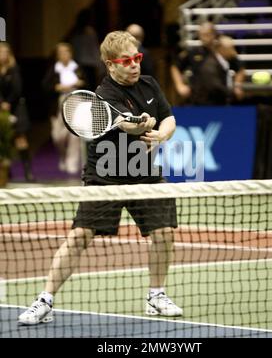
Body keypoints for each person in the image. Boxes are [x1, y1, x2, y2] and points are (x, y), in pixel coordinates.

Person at [18, 30, 182, 325]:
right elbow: (128, 127)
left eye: (138, 58)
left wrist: (161, 132)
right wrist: (141, 124)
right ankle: (45, 299)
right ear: (110, 64)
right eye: (127, 60)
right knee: (80, 235)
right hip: (105, 175)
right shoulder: (104, 95)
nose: (134, 65)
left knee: (164, 232)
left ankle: (156, 295)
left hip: (143, 174)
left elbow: (168, 117)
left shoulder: (149, 84)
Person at [171, 21, 245, 104]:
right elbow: (175, 67)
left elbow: (240, 69)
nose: (204, 38)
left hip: (221, 99)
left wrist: (237, 86)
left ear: (214, 34)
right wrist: (180, 86)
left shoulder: (223, 51)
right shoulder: (193, 52)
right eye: (201, 34)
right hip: (197, 100)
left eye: (207, 34)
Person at [42, 42, 85, 175]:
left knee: (74, 135)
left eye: (66, 51)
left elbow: (87, 83)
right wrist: (58, 87)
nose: (63, 55)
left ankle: (72, 163)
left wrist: (79, 83)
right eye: (60, 52)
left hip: (76, 102)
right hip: (59, 104)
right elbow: (45, 87)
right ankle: (63, 156)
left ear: (70, 53)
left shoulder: (77, 67)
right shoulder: (54, 69)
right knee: (57, 136)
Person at [0, 42, 34, 181]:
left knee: (20, 139)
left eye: (5, 52)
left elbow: (17, 89)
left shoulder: (14, 69)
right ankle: (5, 172)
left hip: (17, 107)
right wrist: (1, 102)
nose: (3, 55)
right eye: (1, 52)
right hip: (2, 108)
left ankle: (27, 172)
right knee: (4, 140)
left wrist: (8, 102)